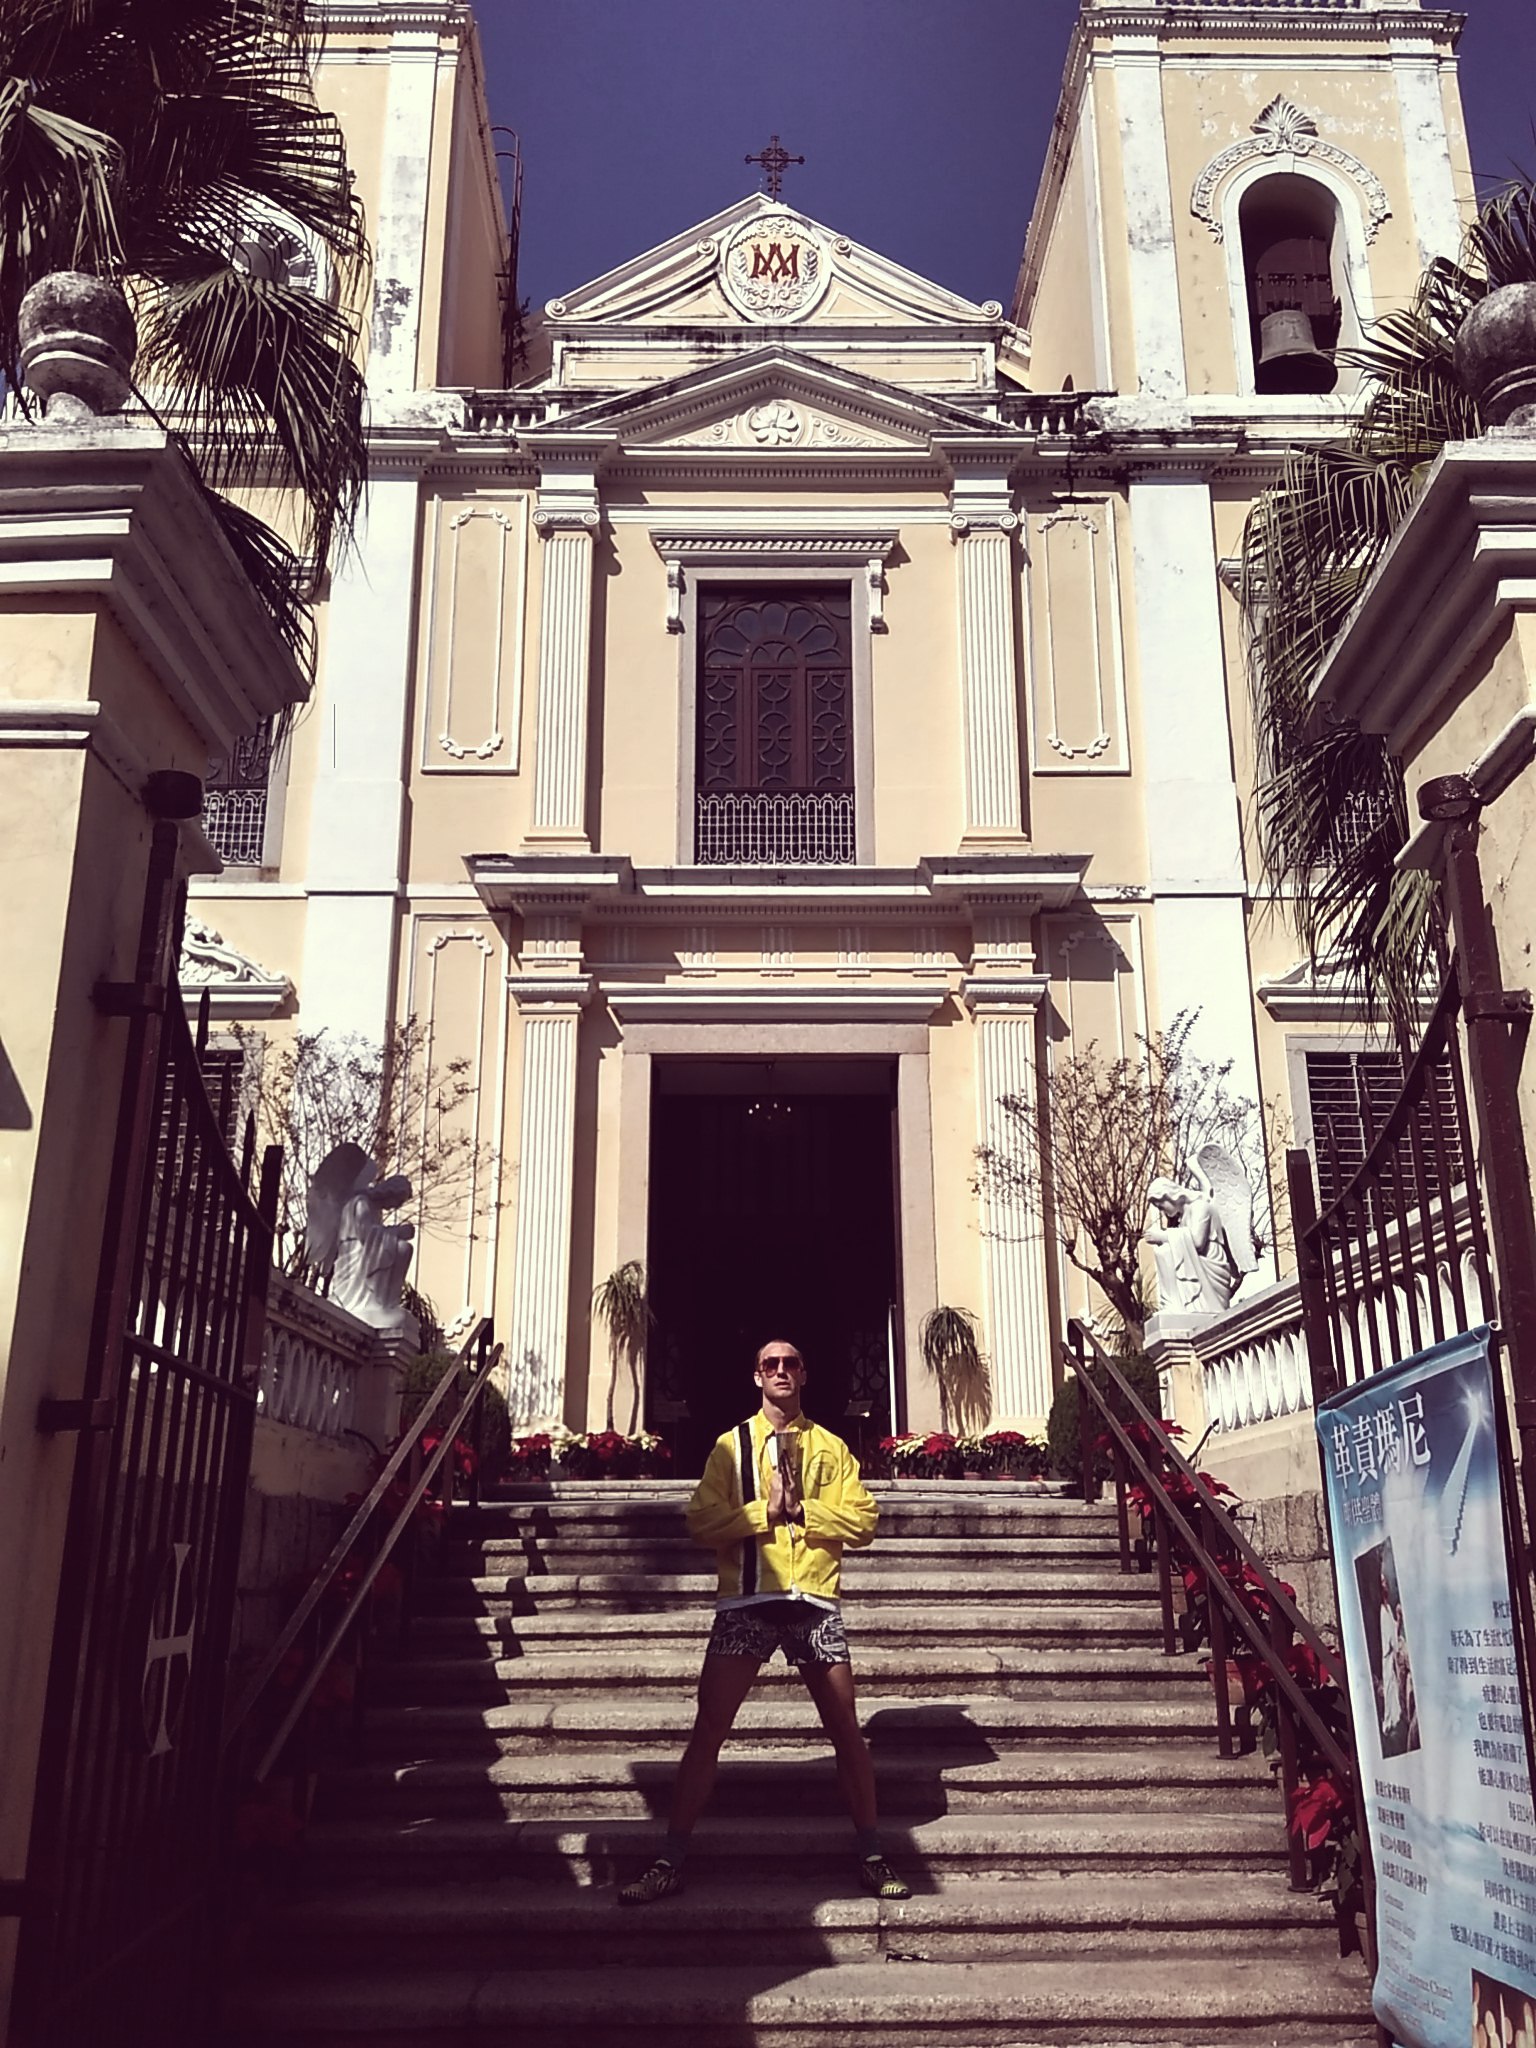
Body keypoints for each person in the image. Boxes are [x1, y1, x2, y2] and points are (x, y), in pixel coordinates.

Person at [617, 1338, 910, 1906]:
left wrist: (805, 1511)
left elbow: (865, 1521)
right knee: (709, 1730)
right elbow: (701, 1522)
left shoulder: (831, 1447)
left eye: (790, 1363)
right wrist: (763, 1513)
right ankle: (670, 1859)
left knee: (846, 1730)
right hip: (748, 1601)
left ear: (804, 1374)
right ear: (756, 1376)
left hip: (813, 1601)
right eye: (770, 1364)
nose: (780, 1371)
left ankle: (873, 1854)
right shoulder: (731, 1446)